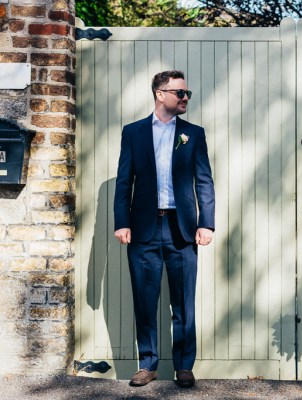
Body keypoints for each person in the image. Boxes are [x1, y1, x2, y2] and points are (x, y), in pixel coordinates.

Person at [114, 70, 215, 388]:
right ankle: (147, 364)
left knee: (184, 301)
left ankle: (184, 365)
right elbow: (123, 180)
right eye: (180, 93)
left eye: (186, 94)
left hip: (182, 229)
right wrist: (122, 222)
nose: (185, 98)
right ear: (161, 94)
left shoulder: (193, 134)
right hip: (143, 229)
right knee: (144, 299)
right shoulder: (133, 132)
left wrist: (206, 222)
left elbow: (204, 180)